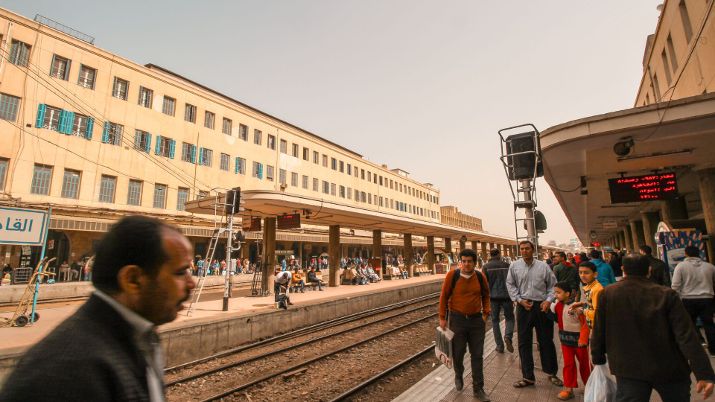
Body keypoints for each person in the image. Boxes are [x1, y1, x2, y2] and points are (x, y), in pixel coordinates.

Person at [0, 216, 196, 401]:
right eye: (180, 272)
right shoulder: (68, 374)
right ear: (133, 280)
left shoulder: (140, 337)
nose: (191, 283)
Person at [591, 254, 715, 401]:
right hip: (670, 367)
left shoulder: (608, 293)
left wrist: (597, 356)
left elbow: (599, 329)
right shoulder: (667, 295)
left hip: (628, 368)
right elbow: (686, 336)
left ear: (623, 269)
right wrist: (704, 373)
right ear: (649, 270)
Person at [506, 240, 562, 389]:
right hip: (524, 307)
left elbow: (553, 286)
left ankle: (551, 373)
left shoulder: (543, 267)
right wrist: (518, 300)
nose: (524, 251)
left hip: (541, 307)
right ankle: (528, 377)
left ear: (533, 249)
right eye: (522, 249)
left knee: (546, 341)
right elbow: (510, 284)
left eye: (527, 248)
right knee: (524, 342)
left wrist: (549, 301)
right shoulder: (514, 266)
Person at [438, 249, 491, 401]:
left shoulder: (480, 276)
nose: (466, 264)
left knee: (477, 355)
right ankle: (458, 373)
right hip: (457, 320)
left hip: (476, 322)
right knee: (458, 353)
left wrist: (485, 314)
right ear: (461, 262)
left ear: (475, 262)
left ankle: (478, 388)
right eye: (464, 261)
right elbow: (444, 296)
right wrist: (442, 317)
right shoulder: (452, 275)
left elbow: (486, 295)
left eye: (470, 261)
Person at [672, 245, 715, 356]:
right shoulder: (710, 267)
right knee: (709, 324)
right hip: (707, 299)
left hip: (688, 299)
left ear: (686, 254)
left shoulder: (680, 266)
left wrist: (676, 298)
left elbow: (675, 285)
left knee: (690, 323)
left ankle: (698, 344)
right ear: (698, 253)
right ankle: (713, 349)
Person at [550, 281, 590, 401]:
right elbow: (556, 318)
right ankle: (568, 388)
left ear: (567, 293)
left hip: (579, 342)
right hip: (565, 341)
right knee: (568, 364)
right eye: (555, 292)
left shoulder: (577, 306)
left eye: (559, 292)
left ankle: (590, 385)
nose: (556, 295)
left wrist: (583, 339)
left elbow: (584, 324)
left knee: (585, 364)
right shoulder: (557, 306)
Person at [482, 248, 514, 354]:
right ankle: (508, 336)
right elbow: (512, 281)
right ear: (499, 254)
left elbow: (484, 285)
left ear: (490, 255)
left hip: (493, 298)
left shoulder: (486, 267)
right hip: (507, 297)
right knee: (509, 318)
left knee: (495, 321)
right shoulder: (507, 266)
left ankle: (499, 346)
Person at [569, 261, 603, 330]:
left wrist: (583, 310)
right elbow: (592, 305)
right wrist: (582, 304)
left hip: (596, 328)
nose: (582, 275)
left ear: (595, 274)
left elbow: (597, 314)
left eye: (586, 273)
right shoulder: (590, 287)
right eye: (580, 272)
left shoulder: (596, 289)